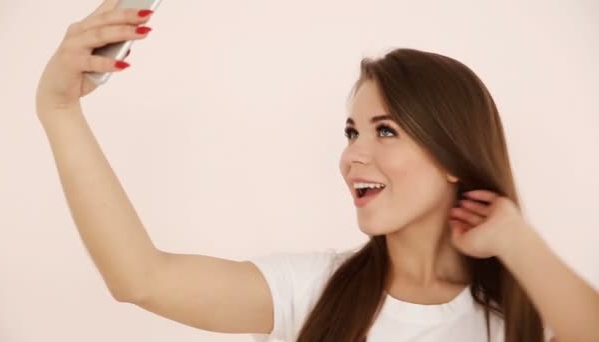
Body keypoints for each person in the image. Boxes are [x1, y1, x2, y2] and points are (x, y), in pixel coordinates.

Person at [35, 1, 599, 341]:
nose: (353, 155)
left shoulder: (522, 317)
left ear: (453, 155)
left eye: (385, 130)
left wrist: (517, 242)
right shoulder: (316, 291)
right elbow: (141, 279)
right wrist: (59, 111)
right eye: (351, 132)